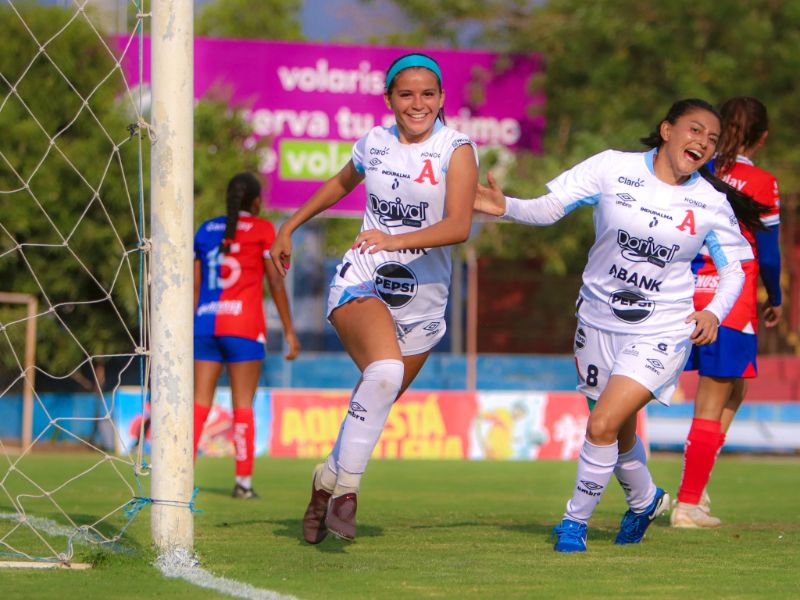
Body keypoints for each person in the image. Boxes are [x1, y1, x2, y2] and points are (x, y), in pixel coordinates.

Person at [475, 99, 766, 553]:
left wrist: (713, 312)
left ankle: (574, 523)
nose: (703, 143)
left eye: (712, 140)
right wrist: (505, 207)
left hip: (662, 329)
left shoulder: (710, 202)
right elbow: (550, 208)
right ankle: (646, 499)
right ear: (666, 129)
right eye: (694, 131)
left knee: (602, 424)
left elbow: (736, 268)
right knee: (618, 430)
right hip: (596, 320)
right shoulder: (612, 167)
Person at [269, 53, 478, 543]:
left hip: (423, 301)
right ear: (389, 99)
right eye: (406, 94)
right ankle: (347, 496)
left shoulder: (457, 148)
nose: (417, 103)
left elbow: (459, 226)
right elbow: (341, 183)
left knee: (376, 399)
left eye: (428, 94)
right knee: (382, 372)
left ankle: (324, 483)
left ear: (442, 99)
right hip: (363, 276)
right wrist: (291, 224)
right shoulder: (375, 143)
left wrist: (397, 240)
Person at [672, 97, 782, 528]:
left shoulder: (696, 170)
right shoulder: (761, 181)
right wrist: (775, 297)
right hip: (729, 301)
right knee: (713, 400)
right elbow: (768, 255)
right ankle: (687, 503)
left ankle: (694, 489)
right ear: (763, 136)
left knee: (734, 390)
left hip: (683, 293)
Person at [193, 172, 300, 499]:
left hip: (204, 324)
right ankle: (243, 484)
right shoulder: (263, 229)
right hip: (243, 327)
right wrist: (290, 332)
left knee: (199, 404)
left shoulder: (206, 230)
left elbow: (195, 284)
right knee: (243, 406)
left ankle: (179, 475)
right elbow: (276, 282)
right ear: (256, 202)